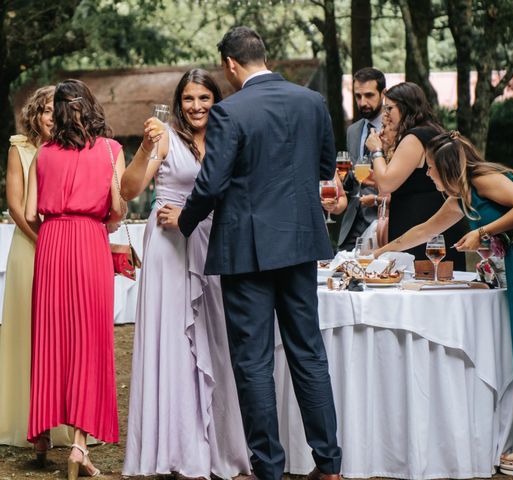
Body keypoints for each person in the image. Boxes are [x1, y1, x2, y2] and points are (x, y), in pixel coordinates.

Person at [375, 130, 513, 480]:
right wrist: (379, 253)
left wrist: (482, 233)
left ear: (448, 166)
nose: (428, 174)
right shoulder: (459, 199)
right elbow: (421, 231)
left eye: (432, 168)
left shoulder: (483, 179)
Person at [177, 27, 342, 480]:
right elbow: (325, 168)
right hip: (301, 244)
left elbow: (210, 184)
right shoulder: (312, 102)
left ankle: (269, 469)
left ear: (230, 64)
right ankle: (329, 465)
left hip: (247, 252)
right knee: (308, 353)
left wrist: (184, 224)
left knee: (253, 362)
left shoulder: (229, 112)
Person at [120, 68, 251, 479]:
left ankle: (217, 448)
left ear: (216, 100)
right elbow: (129, 189)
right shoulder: (166, 139)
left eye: (204, 98)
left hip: (214, 242)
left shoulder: (228, 137)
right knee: (174, 343)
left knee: (215, 342)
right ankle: (177, 450)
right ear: (179, 103)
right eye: (189, 99)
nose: (196, 106)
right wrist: (144, 149)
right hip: (170, 248)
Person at [24, 79, 125, 480]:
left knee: (52, 341)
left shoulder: (43, 153)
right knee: (89, 341)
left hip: (51, 245)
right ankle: (80, 446)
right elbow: (117, 210)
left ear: (61, 112)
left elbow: (31, 212)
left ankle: (47, 432)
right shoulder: (110, 150)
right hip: (89, 243)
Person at [0, 86, 74, 458]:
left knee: (62, 333)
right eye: (44, 109)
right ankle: (27, 419)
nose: (49, 115)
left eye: (55, 109)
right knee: (29, 331)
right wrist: (43, 240)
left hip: (65, 248)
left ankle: (64, 422)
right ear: (35, 113)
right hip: (31, 247)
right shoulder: (21, 149)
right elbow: (15, 205)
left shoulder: (75, 148)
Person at [365, 82, 467, 268]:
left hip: (420, 224)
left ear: (406, 107)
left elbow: (387, 183)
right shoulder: (432, 129)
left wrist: (376, 150)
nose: (384, 115)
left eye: (389, 108)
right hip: (435, 222)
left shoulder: (414, 137)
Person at [338, 67, 384, 251]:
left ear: (383, 94)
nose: (363, 102)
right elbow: (353, 180)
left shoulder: (395, 130)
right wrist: (339, 179)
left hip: (382, 225)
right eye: (358, 96)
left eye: (369, 95)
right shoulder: (353, 131)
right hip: (351, 226)